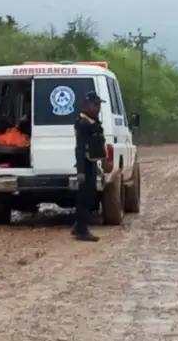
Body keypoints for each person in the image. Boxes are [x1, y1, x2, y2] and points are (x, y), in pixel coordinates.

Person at [72, 91, 107, 242]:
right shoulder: (83, 123)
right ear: (87, 105)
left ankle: (78, 227)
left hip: (91, 162)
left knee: (91, 195)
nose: (98, 108)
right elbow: (80, 149)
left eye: (99, 105)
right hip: (85, 164)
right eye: (95, 105)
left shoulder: (92, 121)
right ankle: (81, 230)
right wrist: (80, 171)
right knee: (85, 197)